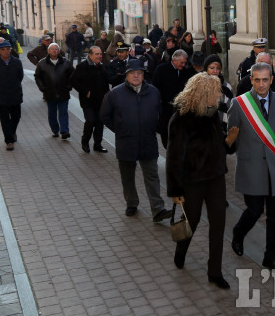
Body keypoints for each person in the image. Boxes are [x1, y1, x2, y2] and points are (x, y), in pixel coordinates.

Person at [166, 72, 238, 289]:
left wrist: (230, 142)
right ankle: (181, 251)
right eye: (216, 92)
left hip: (215, 177)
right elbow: (174, 157)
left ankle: (214, 272)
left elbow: (218, 149)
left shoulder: (213, 114)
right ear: (204, 93)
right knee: (191, 221)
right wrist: (175, 190)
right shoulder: (181, 118)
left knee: (219, 224)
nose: (219, 96)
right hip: (192, 181)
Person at [228, 62, 275, 270]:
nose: (261, 84)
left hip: (273, 169)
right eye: (257, 80)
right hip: (251, 167)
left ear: (272, 80)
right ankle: (238, 232)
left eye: (265, 80)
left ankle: (271, 257)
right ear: (251, 80)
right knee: (254, 211)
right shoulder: (239, 104)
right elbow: (231, 138)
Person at [100, 60, 174, 221]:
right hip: (126, 141)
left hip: (148, 141)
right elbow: (104, 115)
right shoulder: (115, 94)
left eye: (139, 73)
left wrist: (152, 127)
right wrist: (119, 129)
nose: (136, 75)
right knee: (127, 176)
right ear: (126, 75)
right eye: (132, 73)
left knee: (152, 175)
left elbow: (159, 112)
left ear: (143, 74)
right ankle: (131, 203)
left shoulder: (153, 92)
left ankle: (158, 209)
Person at [69, 46, 110, 153]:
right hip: (87, 101)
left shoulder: (101, 66)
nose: (100, 56)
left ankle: (97, 145)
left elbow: (106, 82)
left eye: (101, 54)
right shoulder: (82, 66)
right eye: (97, 54)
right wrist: (85, 91)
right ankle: (85, 141)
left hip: (101, 100)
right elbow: (73, 80)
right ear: (90, 55)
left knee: (100, 123)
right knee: (91, 120)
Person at [0, 41, 24, 151]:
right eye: (3, 49)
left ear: (11, 50)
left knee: (16, 116)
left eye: (8, 49)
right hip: (1, 94)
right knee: (4, 119)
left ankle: (12, 132)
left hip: (15, 93)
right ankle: (9, 141)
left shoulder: (17, 62)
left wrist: (14, 85)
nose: (6, 51)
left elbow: (20, 76)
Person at [34, 43, 74, 139]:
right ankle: (55, 130)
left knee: (63, 112)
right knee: (52, 113)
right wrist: (42, 87)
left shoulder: (66, 62)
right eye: (52, 49)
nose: (55, 51)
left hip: (63, 91)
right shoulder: (42, 63)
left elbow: (73, 75)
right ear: (48, 51)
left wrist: (69, 86)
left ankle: (64, 131)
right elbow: (37, 76)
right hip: (49, 92)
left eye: (56, 49)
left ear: (59, 50)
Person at [152, 49, 190, 148]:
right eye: (182, 62)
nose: (183, 65)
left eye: (185, 63)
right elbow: (155, 88)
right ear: (174, 60)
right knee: (167, 138)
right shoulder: (161, 69)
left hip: (181, 111)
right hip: (165, 110)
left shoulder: (186, 72)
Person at [203, 54, 233, 128]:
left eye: (218, 68)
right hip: (205, 126)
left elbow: (231, 108)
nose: (215, 71)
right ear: (206, 69)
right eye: (212, 68)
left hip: (222, 127)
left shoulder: (226, 87)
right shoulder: (201, 85)